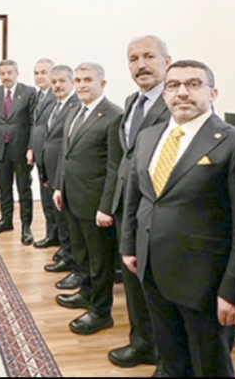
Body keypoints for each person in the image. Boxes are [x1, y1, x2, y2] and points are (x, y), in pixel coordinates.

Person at [121, 60, 235, 377]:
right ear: (164, 94)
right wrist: (129, 245)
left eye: (193, 84)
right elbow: (135, 196)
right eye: (173, 85)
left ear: (213, 93)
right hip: (152, 268)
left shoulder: (234, 142)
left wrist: (233, 290)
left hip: (203, 279)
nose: (182, 92)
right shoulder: (149, 136)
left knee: (209, 364)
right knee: (170, 357)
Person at [108, 35, 171, 371]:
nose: (141, 65)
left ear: (167, 61)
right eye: (133, 59)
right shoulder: (132, 100)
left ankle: (166, 356)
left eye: (149, 56)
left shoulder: (177, 101)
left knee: (157, 288)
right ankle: (142, 342)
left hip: (158, 208)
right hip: (128, 205)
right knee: (133, 281)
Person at [52, 62, 123, 335]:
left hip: (96, 205)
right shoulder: (75, 111)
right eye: (78, 80)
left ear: (102, 84)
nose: (81, 85)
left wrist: (106, 207)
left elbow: (115, 167)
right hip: (72, 198)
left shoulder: (114, 116)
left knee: (100, 261)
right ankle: (86, 293)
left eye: (87, 80)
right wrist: (59, 186)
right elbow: (65, 153)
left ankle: (101, 312)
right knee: (82, 255)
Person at [0, 59, 37, 245]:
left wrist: (31, 147)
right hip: (1, 149)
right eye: (2, 73)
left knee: (24, 190)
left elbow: (34, 122)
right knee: (4, 188)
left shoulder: (29, 92)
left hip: (21, 150)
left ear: (16, 73)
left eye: (9, 73)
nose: (6, 76)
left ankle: (26, 227)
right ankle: (6, 221)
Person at [39, 65, 81, 290]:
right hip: (51, 168)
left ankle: (72, 259)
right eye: (54, 82)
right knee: (58, 216)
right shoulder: (54, 105)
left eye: (61, 81)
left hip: (64, 171)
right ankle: (65, 253)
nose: (57, 86)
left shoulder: (76, 106)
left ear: (72, 82)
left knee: (67, 219)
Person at [30, 58, 60, 249]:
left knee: (56, 200)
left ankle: (61, 241)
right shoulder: (38, 96)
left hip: (53, 156)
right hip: (40, 155)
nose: (39, 76)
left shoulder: (57, 96)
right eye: (36, 73)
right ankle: (51, 235)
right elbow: (35, 126)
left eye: (43, 72)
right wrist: (31, 148)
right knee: (46, 199)